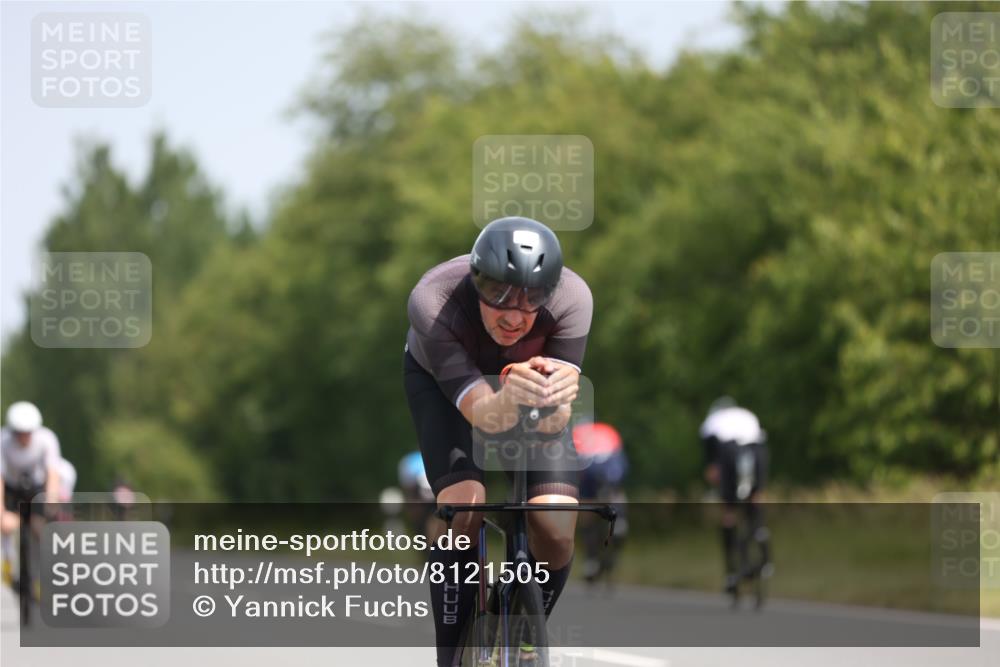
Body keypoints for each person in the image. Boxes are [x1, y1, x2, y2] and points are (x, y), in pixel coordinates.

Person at [404, 216, 592, 666]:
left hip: (525, 391)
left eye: (532, 300)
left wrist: (554, 404)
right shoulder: (433, 300)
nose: (514, 316)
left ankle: (526, 629)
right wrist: (511, 393)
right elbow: (485, 417)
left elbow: (554, 422)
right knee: (464, 509)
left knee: (556, 527)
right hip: (445, 389)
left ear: (551, 291)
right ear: (475, 279)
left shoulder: (573, 299)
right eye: (499, 295)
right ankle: (450, 657)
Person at [699, 397, 771, 596]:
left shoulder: (713, 420)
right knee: (756, 499)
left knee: (729, 512)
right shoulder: (747, 414)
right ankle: (763, 546)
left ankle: (731, 570)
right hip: (757, 452)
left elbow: (711, 461)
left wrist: (714, 473)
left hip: (730, 452)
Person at [1, 402, 63, 589]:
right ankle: (8, 562)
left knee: (40, 529)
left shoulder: (47, 439)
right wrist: (2, 511)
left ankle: (40, 575)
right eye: (19, 432)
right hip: (12, 488)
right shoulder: (3, 441)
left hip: (37, 487)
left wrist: (51, 501)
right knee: (5, 525)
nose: (24, 437)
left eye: (28, 432)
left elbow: (53, 473)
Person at [572, 420, 629, 586]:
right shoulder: (578, 436)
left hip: (610, 487)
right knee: (588, 521)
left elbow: (621, 463)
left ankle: (607, 558)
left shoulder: (606, 433)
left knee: (617, 524)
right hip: (589, 489)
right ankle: (591, 560)